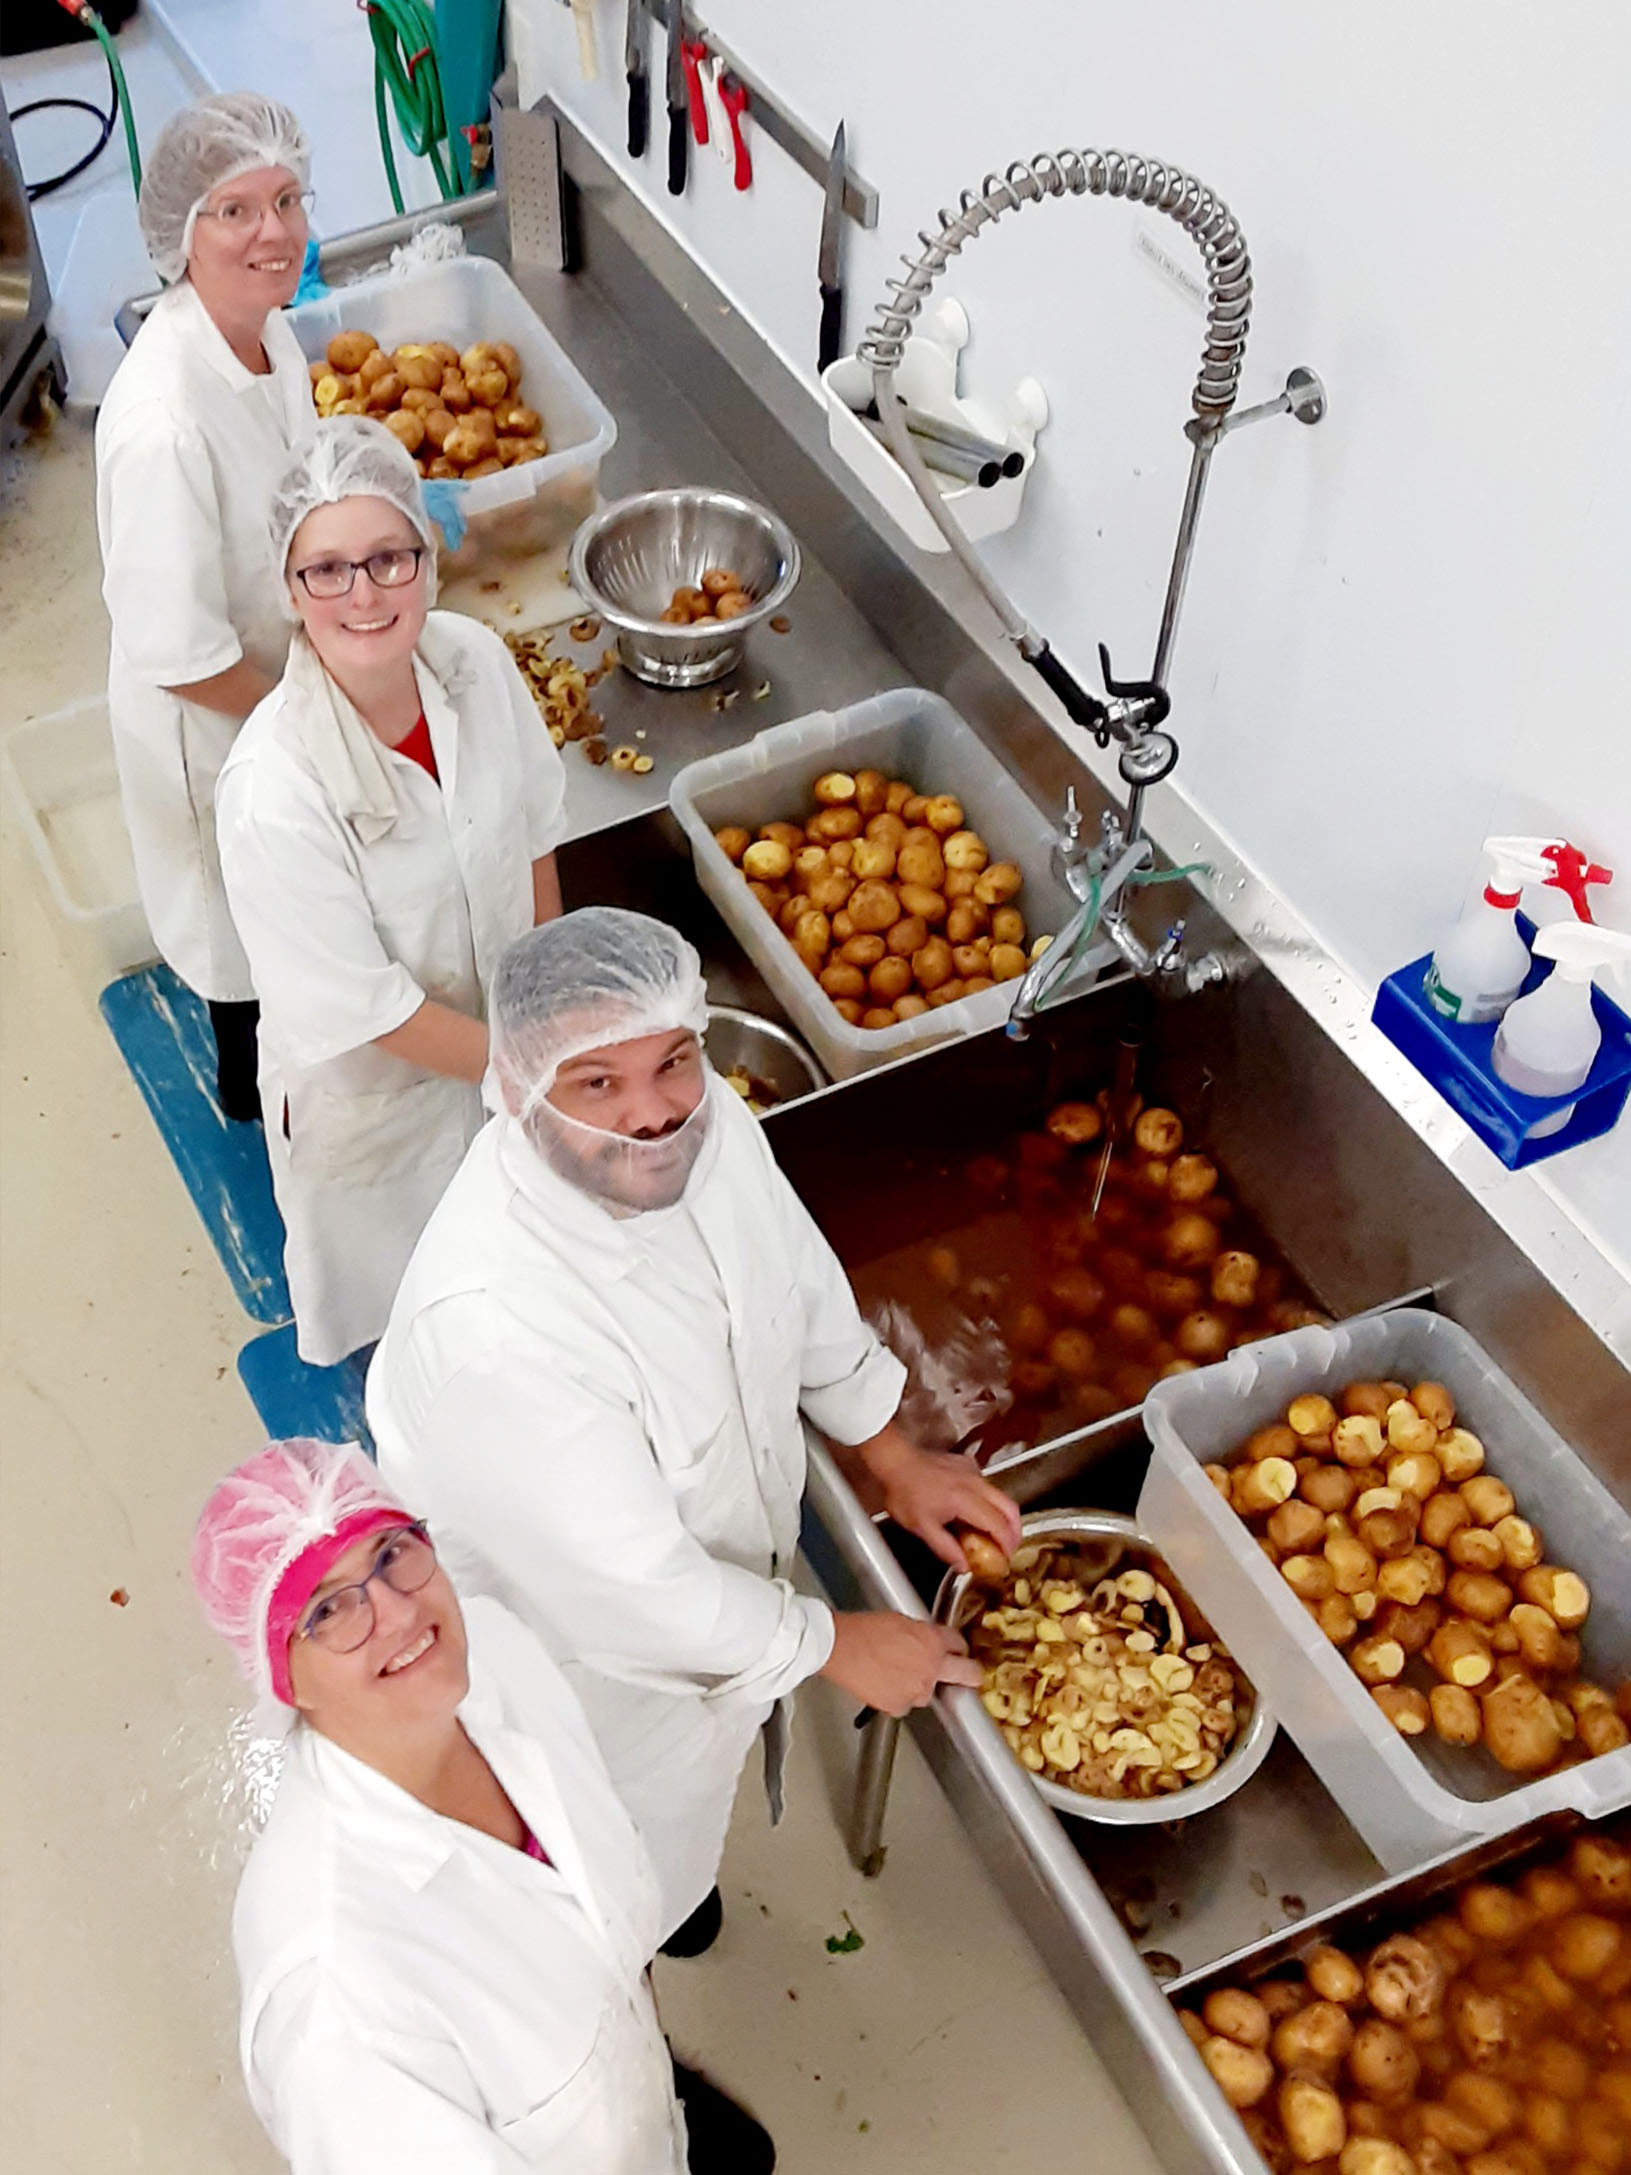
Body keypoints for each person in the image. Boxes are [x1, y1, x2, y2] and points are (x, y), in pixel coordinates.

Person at [367, 908, 1021, 1949]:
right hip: (590, 1669)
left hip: (709, 1606)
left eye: (673, 1060)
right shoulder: (501, 1328)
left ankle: (679, 1886)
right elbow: (636, 1593)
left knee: (688, 1812)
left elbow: (791, 1279)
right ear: (516, 1092)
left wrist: (887, 1450)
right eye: (598, 1085)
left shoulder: (703, 1125)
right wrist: (832, 1642)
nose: (655, 1111)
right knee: (611, 1870)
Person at [193, 1437, 773, 2173]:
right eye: (330, 1609)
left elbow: (597, 1912)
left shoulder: (491, 1651)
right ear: (285, 1680)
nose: (398, 1615)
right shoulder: (340, 2006)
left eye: (390, 1551)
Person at [216, 417, 567, 1367]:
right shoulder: (274, 791)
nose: (362, 594)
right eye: (326, 569)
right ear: (290, 591)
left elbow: (533, 832)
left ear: (429, 555)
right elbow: (367, 1009)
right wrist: (533, 1076)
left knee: (516, 1298)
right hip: (377, 1119)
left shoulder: (475, 664)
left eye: (388, 558)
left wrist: (552, 1016)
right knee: (411, 1327)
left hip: (506, 1063)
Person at [95, 92, 318, 1120]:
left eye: (286, 199)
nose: (270, 232)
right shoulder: (162, 424)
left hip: (276, 677)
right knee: (237, 934)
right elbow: (181, 658)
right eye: (234, 210)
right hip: (211, 723)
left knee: (290, 906)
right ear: (181, 236)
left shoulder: (273, 341)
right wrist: (318, 709)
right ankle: (247, 1097)